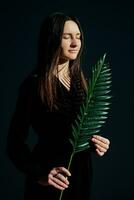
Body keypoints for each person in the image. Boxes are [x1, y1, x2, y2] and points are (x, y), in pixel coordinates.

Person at [6, 12, 110, 200]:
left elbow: (73, 131)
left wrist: (95, 142)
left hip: (81, 177)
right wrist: (40, 174)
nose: (75, 43)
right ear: (52, 39)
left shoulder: (81, 82)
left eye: (78, 37)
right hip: (51, 179)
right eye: (66, 36)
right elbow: (14, 144)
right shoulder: (34, 85)